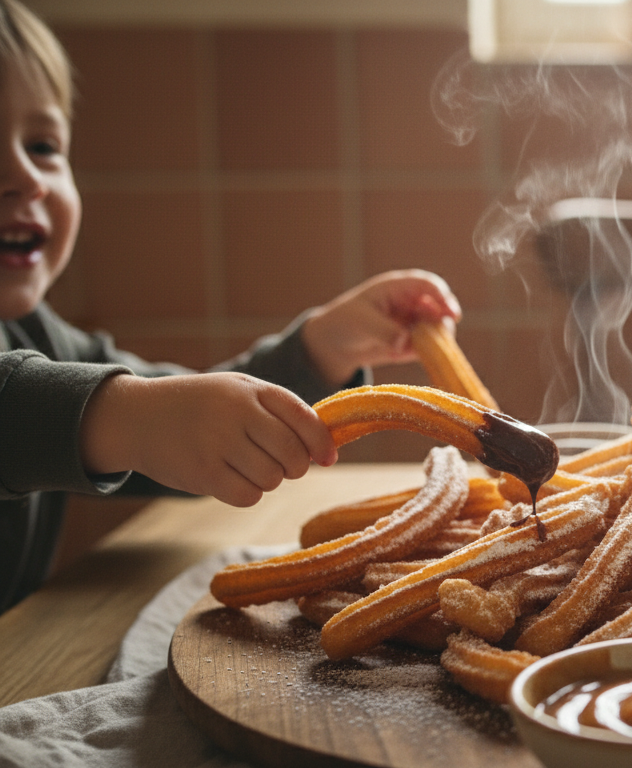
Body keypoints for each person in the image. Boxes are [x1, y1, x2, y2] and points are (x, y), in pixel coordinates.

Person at [0, 0, 461, 611]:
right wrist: (132, 418)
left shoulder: (33, 332)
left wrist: (319, 349)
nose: (25, 177)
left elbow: (191, 434)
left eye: (42, 145)